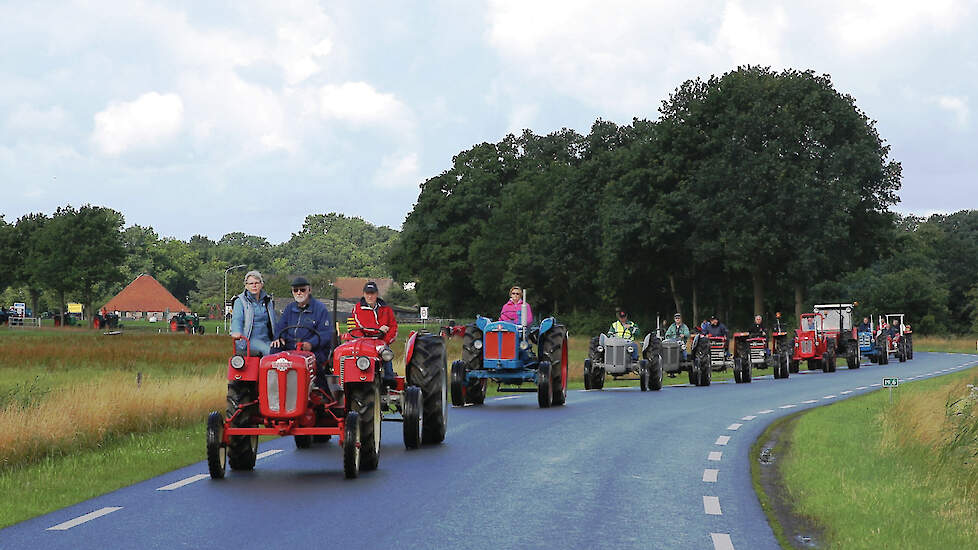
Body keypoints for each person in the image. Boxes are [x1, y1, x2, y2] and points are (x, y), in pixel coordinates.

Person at [273, 277, 333, 370]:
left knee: (313, 362)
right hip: (290, 346)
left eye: (302, 290)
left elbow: (325, 333)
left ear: (309, 290)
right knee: (274, 352)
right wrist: (278, 337)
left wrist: (311, 344)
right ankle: (271, 382)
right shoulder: (289, 308)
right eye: (295, 290)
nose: (299, 292)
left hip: (313, 349)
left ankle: (319, 384)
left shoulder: (320, 309)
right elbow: (280, 326)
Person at [351, 281, 399, 387]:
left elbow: (393, 328)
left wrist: (385, 341)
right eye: (367, 293)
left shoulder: (386, 309)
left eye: (372, 293)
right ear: (364, 294)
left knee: (386, 353)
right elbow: (362, 325)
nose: (370, 296)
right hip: (364, 341)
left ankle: (388, 379)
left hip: (381, 342)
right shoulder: (358, 309)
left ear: (377, 294)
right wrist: (379, 329)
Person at [230, 270, 278, 356]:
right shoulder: (240, 301)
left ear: (261, 284)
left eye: (257, 283)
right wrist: (236, 332)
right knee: (270, 352)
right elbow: (237, 319)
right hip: (249, 340)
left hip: (267, 339)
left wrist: (278, 336)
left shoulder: (268, 301)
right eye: (251, 283)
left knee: (285, 351)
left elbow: (274, 321)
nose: (254, 286)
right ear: (246, 286)